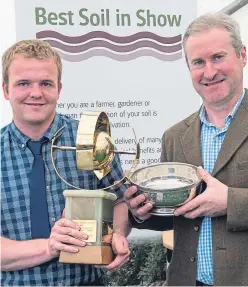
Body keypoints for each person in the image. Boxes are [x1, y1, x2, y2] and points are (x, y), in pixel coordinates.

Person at [125, 12, 248, 286]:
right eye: (198, 62)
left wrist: (231, 201)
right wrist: (142, 212)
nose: (209, 71)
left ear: (242, 55)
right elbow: (170, 218)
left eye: (218, 57)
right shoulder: (174, 137)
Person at [1, 39, 131, 286]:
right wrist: (50, 247)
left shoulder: (93, 140)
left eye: (46, 83)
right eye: (23, 83)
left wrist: (116, 236)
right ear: (6, 89)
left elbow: (120, 200)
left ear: (59, 89)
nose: (36, 93)